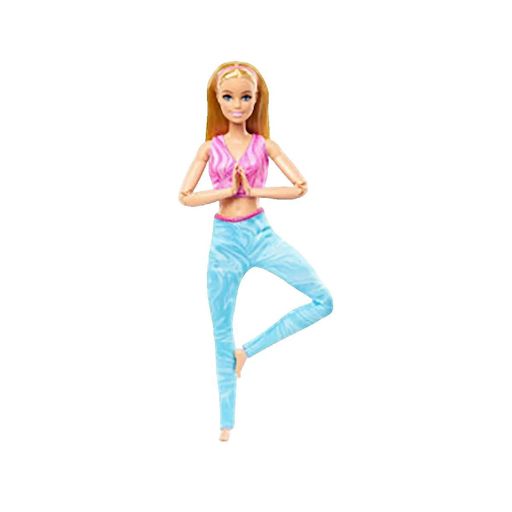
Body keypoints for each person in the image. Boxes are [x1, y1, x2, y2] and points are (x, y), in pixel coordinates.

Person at [178, 61, 333, 442]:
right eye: (229, 97)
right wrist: (226, 191)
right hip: (224, 244)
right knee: (220, 330)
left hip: (260, 234)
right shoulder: (208, 148)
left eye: (246, 97)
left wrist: (253, 190)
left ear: (256, 99)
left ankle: (247, 351)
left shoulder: (265, 145)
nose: (237, 105)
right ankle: (226, 424)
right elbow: (185, 196)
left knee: (323, 300)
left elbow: (300, 187)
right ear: (217, 100)